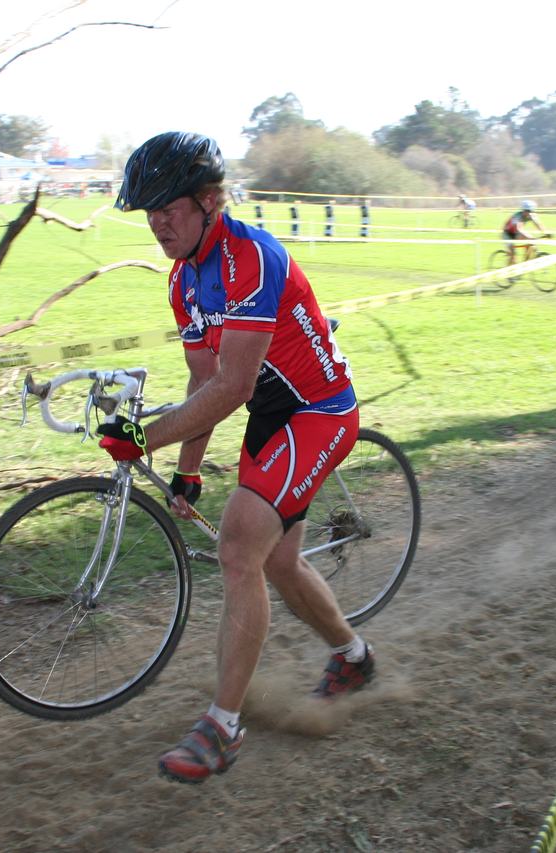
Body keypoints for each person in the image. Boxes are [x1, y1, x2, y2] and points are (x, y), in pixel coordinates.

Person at [100, 131, 370, 784]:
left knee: (238, 546)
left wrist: (144, 440)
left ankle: (221, 727)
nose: (158, 223)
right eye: (149, 211)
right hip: (275, 416)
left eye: (169, 207)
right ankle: (354, 656)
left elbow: (233, 386)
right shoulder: (183, 281)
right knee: (276, 559)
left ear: (210, 199)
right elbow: (203, 382)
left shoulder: (250, 257)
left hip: (321, 409)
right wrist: (189, 467)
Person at [501, 199, 548, 264]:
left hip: (516, 233)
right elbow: (519, 229)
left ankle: (525, 263)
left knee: (530, 243)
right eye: (528, 211)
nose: (530, 213)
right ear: (523, 210)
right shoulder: (517, 216)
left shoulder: (531, 215)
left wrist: (546, 233)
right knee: (513, 254)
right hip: (508, 233)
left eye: (532, 211)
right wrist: (529, 237)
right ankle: (507, 270)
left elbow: (538, 224)